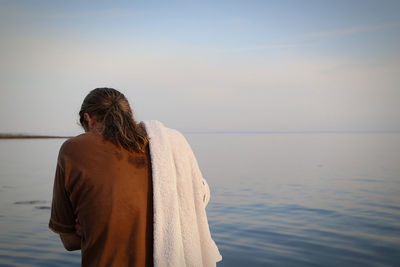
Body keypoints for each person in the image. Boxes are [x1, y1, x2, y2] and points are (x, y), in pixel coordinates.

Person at [49, 87, 222, 267]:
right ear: (129, 115)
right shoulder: (166, 145)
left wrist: (93, 226)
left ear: (88, 119)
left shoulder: (73, 149)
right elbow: (197, 196)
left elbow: (69, 242)